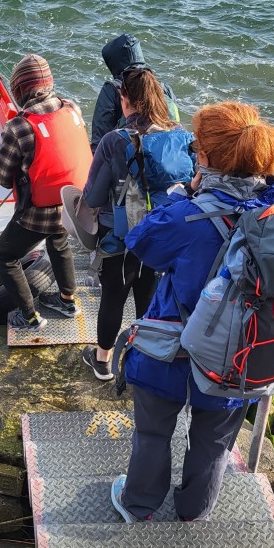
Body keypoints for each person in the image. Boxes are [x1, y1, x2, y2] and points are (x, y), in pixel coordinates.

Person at [110, 101, 274, 523]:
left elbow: (140, 241)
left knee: (152, 432)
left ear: (206, 158)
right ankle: (195, 511)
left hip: (170, 349)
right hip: (239, 359)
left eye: (195, 147)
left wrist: (184, 193)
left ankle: (140, 504)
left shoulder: (187, 214)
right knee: (214, 443)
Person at [81, 67, 191, 380]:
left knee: (114, 296)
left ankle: (102, 361)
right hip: (163, 234)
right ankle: (146, 358)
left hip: (122, 235)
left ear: (125, 100)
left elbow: (93, 194)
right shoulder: (182, 137)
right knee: (151, 296)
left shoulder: (114, 140)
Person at [0, 54, 92, 329]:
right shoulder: (72, 108)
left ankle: (29, 317)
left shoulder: (19, 126)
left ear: (20, 90)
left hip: (36, 214)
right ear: (48, 82)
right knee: (58, 241)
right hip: (73, 205)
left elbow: (2, 177)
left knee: (4, 255)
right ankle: (67, 300)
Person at [91, 33, 179, 151]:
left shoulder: (112, 89)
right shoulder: (163, 88)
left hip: (129, 160)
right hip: (168, 154)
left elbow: (99, 141)